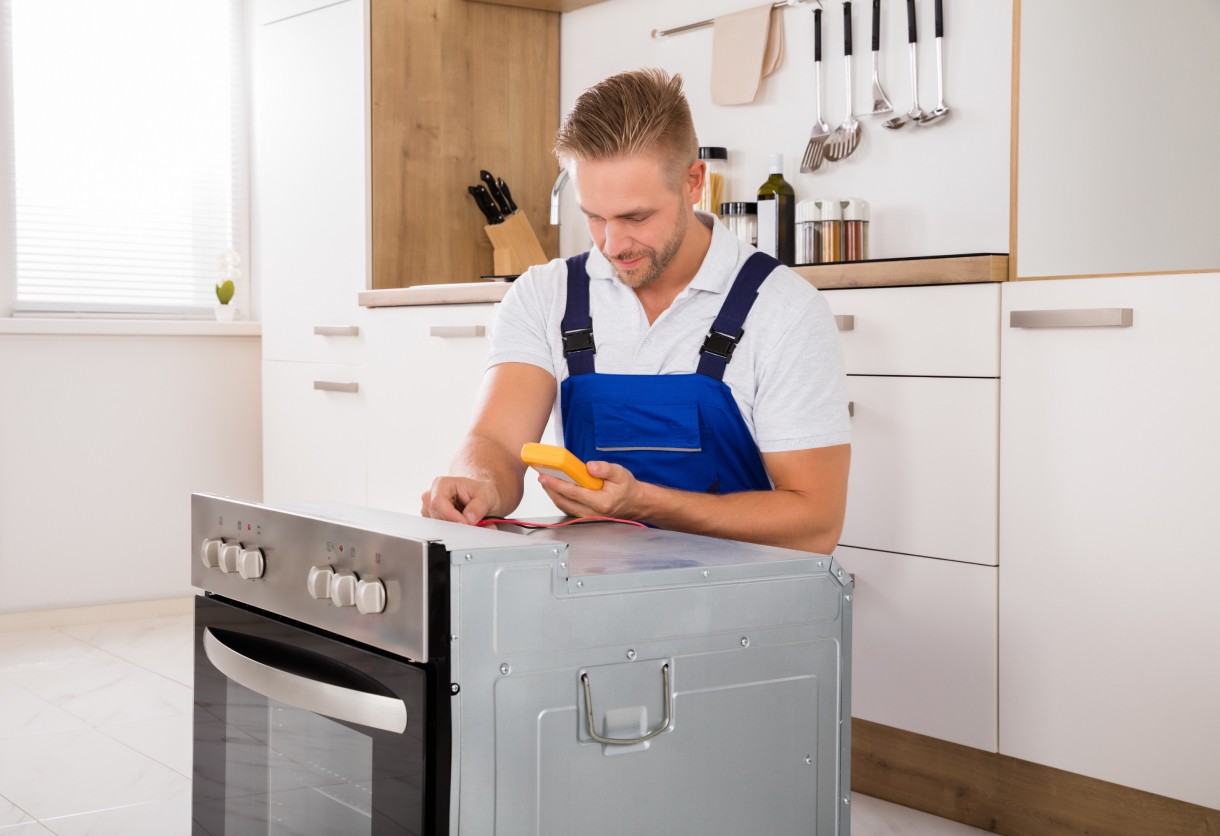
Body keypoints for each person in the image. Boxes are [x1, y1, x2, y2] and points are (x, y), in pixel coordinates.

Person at [421, 68, 850, 554]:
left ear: (693, 182)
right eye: (594, 217)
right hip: (592, 601)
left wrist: (645, 503)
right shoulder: (547, 295)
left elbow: (816, 524)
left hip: (739, 610)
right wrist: (479, 484)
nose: (612, 243)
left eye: (635, 217)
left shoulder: (784, 309)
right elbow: (496, 442)